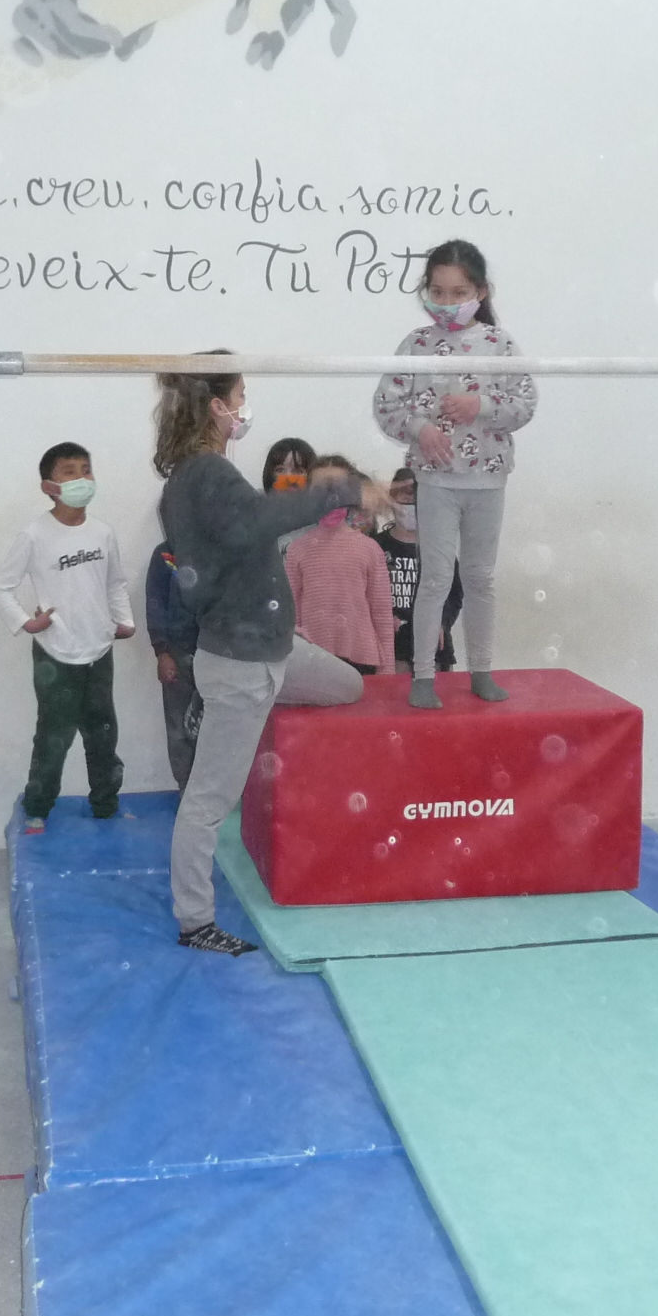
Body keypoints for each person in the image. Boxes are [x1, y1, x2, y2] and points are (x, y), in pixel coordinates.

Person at [155, 357, 389, 954]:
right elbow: (258, 521)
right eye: (240, 393)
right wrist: (342, 489)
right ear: (217, 406)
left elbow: (245, 536)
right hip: (241, 662)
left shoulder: (198, 475)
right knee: (208, 802)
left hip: (274, 651)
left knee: (349, 686)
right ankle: (195, 922)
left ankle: (234, 701)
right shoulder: (205, 473)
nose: (244, 404)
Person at [373, 239, 537, 708]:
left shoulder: (500, 345)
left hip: (487, 480)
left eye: (458, 293)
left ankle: (481, 670)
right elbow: (386, 405)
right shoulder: (416, 345)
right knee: (435, 578)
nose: (446, 302)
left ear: (480, 292)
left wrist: (480, 405)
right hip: (437, 481)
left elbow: (525, 403)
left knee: (481, 577)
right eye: (438, 292)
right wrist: (420, 428)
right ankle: (423, 675)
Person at [0, 441, 135, 835]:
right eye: (69, 472)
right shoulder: (35, 535)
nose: (81, 479)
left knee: (103, 736)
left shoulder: (103, 532)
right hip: (56, 655)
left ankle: (106, 806)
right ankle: (37, 809)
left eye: (86, 470)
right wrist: (26, 622)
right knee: (53, 739)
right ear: (49, 487)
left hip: (99, 650)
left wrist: (124, 622)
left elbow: (116, 583)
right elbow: (1, 588)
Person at [284, 455, 397, 675]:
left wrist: (387, 669)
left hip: (362, 660)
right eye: (320, 489)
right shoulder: (297, 550)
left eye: (338, 488)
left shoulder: (370, 549)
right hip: (312, 661)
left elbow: (382, 614)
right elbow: (291, 615)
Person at [377, 466, 462, 674]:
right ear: (390, 501)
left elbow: (455, 594)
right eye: (404, 498)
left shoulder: (439, 548)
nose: (410, 505)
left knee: (437, 691)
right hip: (389, 643)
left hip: (434, 644)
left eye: (417, 498)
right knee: (393, 690)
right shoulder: (376, 546)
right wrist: (381, 619)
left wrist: (442, 621)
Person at [144, 539, 201, 788]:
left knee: (221, 727)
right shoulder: (165, 553)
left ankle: (222, 795)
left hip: (220, 652)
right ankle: (186, 790)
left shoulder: (221, 545)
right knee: (180, 727)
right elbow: (155, 600)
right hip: (178, 652)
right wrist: (162, 652)